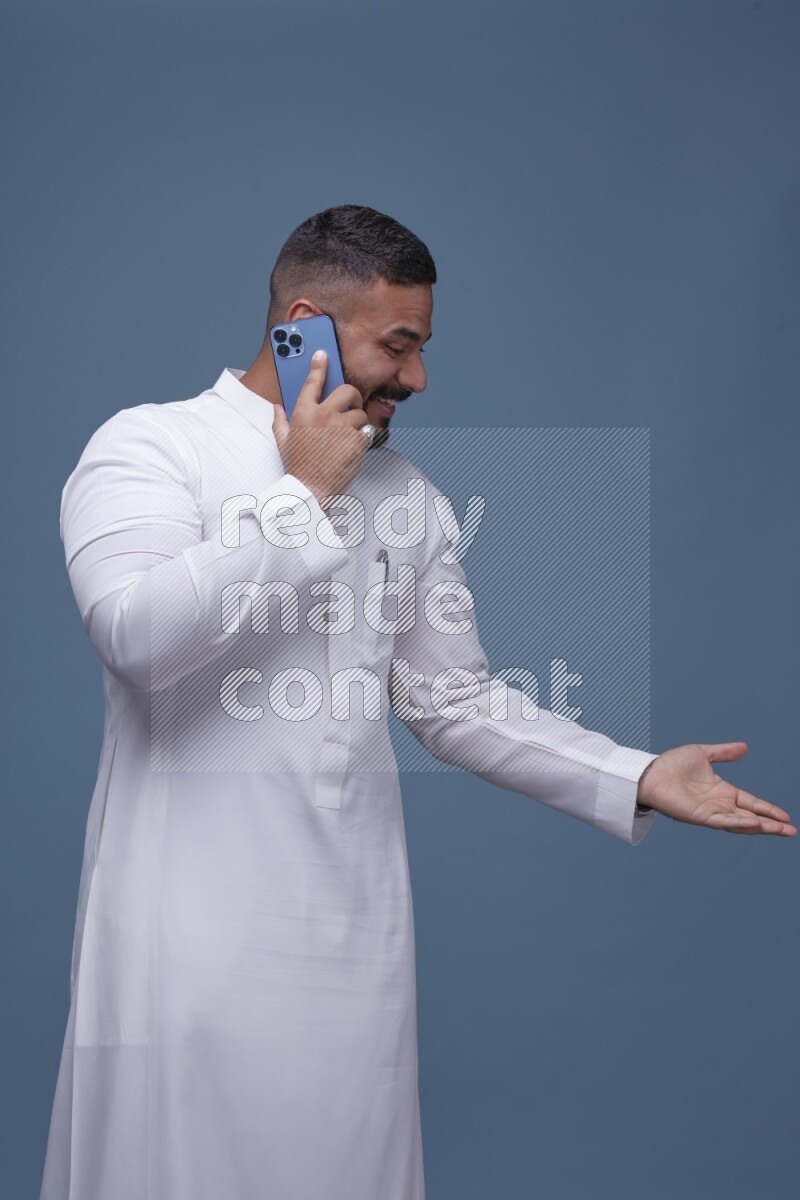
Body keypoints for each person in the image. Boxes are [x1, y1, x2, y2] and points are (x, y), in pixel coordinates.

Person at [40, 205, 795, 1200]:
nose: (418, 378)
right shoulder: (147, 450)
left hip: (355, 957)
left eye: (422, 348)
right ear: (300, 324)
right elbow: (137, 637)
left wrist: (636, 775)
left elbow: (453, 701)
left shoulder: (405, 497)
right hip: (188, 948)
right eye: (397, 346)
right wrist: (300, 494)